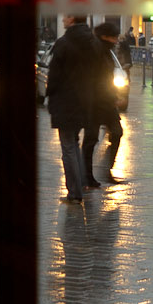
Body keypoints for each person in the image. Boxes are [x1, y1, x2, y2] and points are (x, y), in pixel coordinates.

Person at [44, 15, 100, 203]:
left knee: (68, 146)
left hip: (66, 101)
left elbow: (54, 76)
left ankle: (75, 192)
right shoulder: (93, 43)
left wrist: (49, 95)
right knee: (74, 144)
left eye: (66, 16)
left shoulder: (63, 43)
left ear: (73, 19)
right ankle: (80, 187)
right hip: (86, 101)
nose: (62, 20)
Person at [83, 21, 127, 188]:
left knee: (117, 132)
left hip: (107, 102)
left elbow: (107, 79)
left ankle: (105, 168)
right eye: (114, 37)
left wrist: (114, 96)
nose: (116, 40)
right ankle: (87, 175)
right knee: (91, 139)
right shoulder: (95, 52)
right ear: (105, 36)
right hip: (95, 103)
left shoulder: (107, 52)